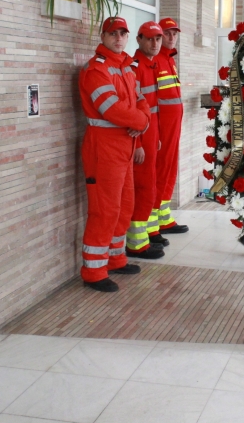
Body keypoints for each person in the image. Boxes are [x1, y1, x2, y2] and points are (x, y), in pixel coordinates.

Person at [78, 17, 150, 292]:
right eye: (112, 34)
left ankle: (115, 258)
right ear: (103, 36)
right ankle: (93, 272)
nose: (118, 38)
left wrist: (139, 123)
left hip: (125, 145)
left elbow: (142, 100)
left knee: (124, 205)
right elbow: (110, 108)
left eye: (122, 34)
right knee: (104, 209)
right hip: (104, 147)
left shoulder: (126, 68)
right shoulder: (96, 70)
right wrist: (140, 122)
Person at [126, 21, 167, 260]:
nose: (154, 43)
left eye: (158, 39)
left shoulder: (151, 65)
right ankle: (136, 244)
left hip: (151, 134)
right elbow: (134, 107)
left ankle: (143, 238)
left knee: (150, 184)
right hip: (141, 136)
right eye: (150, 38)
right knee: (142, 186)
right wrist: (140, 143)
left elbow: (154, 108)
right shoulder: (135, 66)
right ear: (139, 40)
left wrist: (157, 136)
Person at [149, 17, 189, 241]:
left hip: (172, 128)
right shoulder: (155, 61)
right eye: (167, 33)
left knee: (169, 171)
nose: (172, 37)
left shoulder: (169, 60)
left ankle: (163, 218)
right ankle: (153, 223)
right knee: (159, 172)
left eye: (174, 33)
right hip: (161, 129)